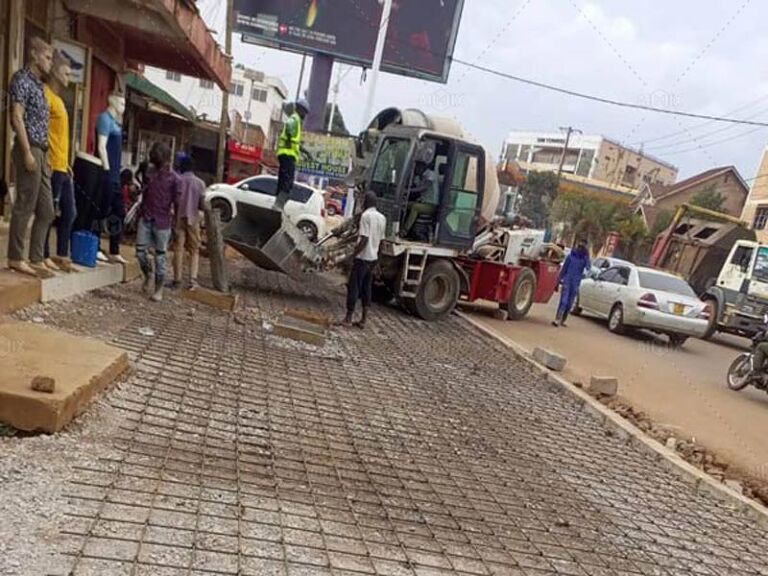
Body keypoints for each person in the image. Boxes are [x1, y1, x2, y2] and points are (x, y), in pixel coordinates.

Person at [7, 36, 54, 278]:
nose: (50, 63)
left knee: (47, 209)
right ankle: (15, 257)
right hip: (29, 147)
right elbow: (17, 116)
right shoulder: (22, 80)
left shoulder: (39, 85)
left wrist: (45, 154)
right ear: (34, 54)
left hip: (42, 150)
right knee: (25, 204)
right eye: (47, 57)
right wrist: (26, 151)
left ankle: (36, 256)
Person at [43, 49, 77, 273]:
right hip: (52, 164)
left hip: (63, 166)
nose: (68, 78)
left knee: (70, 211)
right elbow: (43, 130)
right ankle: (43, 253)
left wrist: (67, 164)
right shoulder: (46, 96)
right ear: (55, 73)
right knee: (48, 211)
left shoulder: (61, 101)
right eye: (65, 73)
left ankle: (61, 253)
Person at [136, 142, 180, 302]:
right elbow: (143, 186)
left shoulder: (175, 179)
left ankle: (158, 289)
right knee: (140, 252)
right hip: (146, 216)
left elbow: (177, 203)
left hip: (163, 221)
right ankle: (148, 274)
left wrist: (176, 226)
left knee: (160, 257)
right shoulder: (149, 172)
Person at [341, 191, 387, 329]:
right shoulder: (382, 218)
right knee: (367, 288)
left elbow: (364, 240)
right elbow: (382, 242)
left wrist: (353, 256)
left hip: (363, 258)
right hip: (372, 259)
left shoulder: (365, 216)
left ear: (365, 202)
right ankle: (363, 320)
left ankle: (348, 318)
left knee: (354, 286)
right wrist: (378, 261)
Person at [171, 154, 206, 290]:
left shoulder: (178, 180)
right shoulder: (200, 183)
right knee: (194, 250)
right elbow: (202, 205)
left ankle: (177, 280)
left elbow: (175, 200)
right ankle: (192, 280)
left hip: (179, 218)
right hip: (194, 219)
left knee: (178, 248)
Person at [273, 99, 310, 211]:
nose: (305, 115)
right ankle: (279, 205)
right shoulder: (295, 119)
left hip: (286, 154)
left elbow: (296, 142)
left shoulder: (296, 119)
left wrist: (305, 152)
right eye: (305, 112)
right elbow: (289, 127)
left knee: (284, 180)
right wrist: (290, 137)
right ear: (300, 110)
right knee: (288, 182)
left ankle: (278, 204)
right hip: (287, 154)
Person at [552, 239, 591, 327]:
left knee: (570, 303)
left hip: (576, 282)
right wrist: (558, 281)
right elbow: (564, 269)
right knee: (564, 301)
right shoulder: (570, 256)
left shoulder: (584, 259)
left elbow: (588, 267)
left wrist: (587, 256)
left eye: (583, 246)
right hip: (567, 281)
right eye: (579, 246)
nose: (580, 248)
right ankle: (557, 319)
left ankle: (563, 320)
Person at [403, 161, 440, 236]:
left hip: (431, 205)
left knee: (415, 207)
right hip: (423, 202)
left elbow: (423, 188)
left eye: (417, 167)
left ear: (422, 167)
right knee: (405, 204)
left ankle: (405, 230)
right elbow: (415, 185)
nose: (415, 169)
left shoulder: (430, 174)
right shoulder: (419, 177)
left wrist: (408, 191)